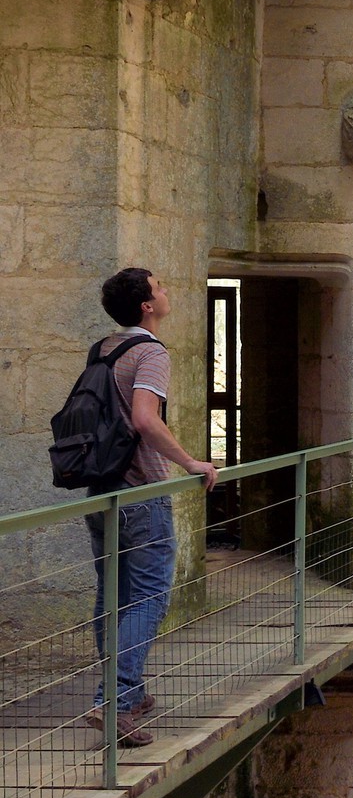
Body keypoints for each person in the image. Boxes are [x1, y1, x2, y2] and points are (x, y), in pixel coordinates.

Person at [86, 267, 216, 748]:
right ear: (146, 304)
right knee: (150, 596)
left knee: (112, 596)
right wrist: (188, 462)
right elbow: (144, 419)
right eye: (160, 286)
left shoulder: (104, 349)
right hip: (141, 492)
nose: (166, 291)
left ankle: (128, 695)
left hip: (101, 491)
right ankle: (115, 701)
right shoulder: (150, 352)